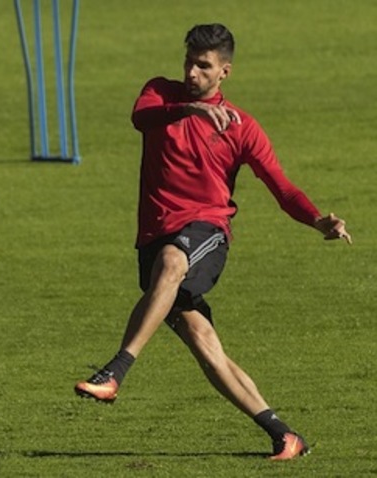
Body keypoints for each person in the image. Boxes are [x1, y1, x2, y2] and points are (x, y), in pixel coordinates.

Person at [74, 23, 352, 461]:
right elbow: (140, 119)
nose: (191, 73)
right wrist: (191, 111)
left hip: (206, 232)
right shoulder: (161, 95)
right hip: (153, 234)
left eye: (203, 66)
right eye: (188, 62)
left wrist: (317, 221)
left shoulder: (242, 127)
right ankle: (284, 435)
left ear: (224, 72)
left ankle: (116, 371)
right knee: (204, 343)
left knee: (172, 262)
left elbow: (281, 188)